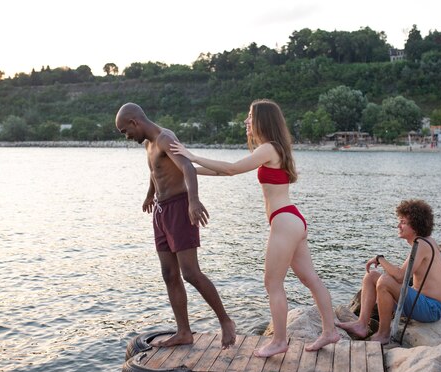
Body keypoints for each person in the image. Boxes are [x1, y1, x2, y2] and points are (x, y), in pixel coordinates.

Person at [170, 99, 340, 358]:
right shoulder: (275, 149)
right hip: (293, 220)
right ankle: (330, 332)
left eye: (250, 116)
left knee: (272, 284)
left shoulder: (268, 148)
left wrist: (191, 155)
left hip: (284, 221)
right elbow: (224, 173)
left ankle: (280, 341)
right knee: (310, 279)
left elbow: (232, 168)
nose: (246, 122)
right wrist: (189, 170)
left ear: (262, 120)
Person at [115, 103, 236, 349]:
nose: (126, 137)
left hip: (180, 208)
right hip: (161, 212)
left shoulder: (164, 138)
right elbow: (155, 171)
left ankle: (225, 321)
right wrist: (150, 194)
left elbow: (187, 167)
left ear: (134, 122)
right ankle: (184, 332)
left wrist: (193, 201)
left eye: (124, 131)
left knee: (190, 273)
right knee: (168, 274)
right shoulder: (149, 144)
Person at [336, 199, 441, 345]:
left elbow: (400, 276)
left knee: (384, 281)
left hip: (430, 308)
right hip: (423, 302)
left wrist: (380, 259)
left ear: (415, 225)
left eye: (403, 222)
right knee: (371, 277)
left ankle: (383, 334)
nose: (398, 226)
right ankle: (361, 325)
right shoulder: (427, 241)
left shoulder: (421, 244)